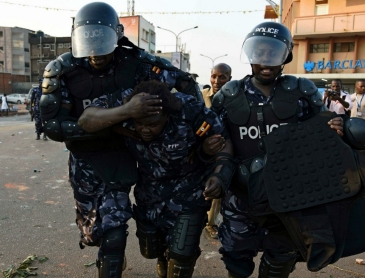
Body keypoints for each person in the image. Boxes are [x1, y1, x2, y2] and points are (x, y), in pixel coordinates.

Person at [39, 2, 202, 277]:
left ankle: (129, 257)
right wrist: (113, 124)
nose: (96, 53)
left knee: (116, 233)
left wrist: (188, 136)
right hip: (87, 159)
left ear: (116, 35)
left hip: (129, 154)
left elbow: (186, 85)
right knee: (94, 233)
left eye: (102, 41)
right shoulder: (62, 70)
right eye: (88, 41)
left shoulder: (137, 63)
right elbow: (53, 127)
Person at [211, 22, 348, 278]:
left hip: (288, 196)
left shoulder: (301, 92)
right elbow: (221, 143)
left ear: (285, 56)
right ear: (251, 55)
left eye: (273, 54)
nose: (266, 61)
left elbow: (323, 129)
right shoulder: (229, 97)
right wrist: (218, 174)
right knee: (236, 257)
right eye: (260, 52)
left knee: (282, 257)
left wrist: (336, 125)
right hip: (241, 195)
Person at [81, 79, 229, 277]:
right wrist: (125, 113)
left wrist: (217, 171)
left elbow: (224, 141)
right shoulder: (126, 104)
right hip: (149, 195)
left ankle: (175, 260)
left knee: (182, 254)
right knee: (151, 249)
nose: (144, 130)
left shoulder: (189, 109)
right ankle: (163, 257)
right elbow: (85, 121)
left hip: (189, 191)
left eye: (152, 124)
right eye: (139, 124)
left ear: (167, 115)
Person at [201, 63, 232, 239]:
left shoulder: (234, 98)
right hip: (203, 150)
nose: (217, 80)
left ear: (229, 79)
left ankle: (211, 223)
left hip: (224, 149)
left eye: (222, 77)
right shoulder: (202, 96)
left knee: (218, 187)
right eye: (214, 76)